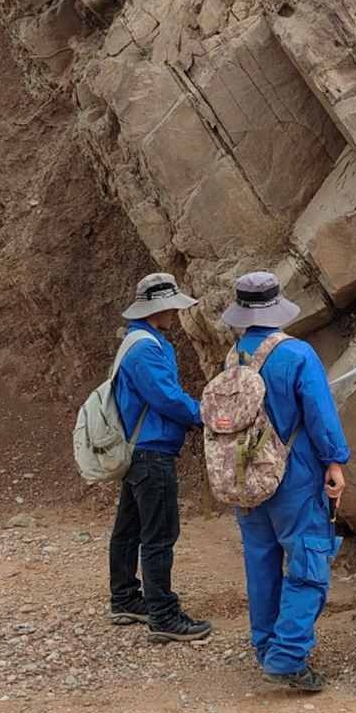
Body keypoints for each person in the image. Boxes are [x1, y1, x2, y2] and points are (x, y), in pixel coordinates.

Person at [221, 271, 350, 692]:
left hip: (246, 478)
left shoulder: (233, 357)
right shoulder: (297, 355)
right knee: (308, 560)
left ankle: (267, 647)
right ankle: (287, 655)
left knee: (261, 563)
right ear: (277, 308)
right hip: (294, 476)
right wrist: (335, 462)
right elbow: (319, 414)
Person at [107, 272, 211, 643]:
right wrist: (205, 414)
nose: (174, 315)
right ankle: (164, 616)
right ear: (160, 307)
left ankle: (125, 598)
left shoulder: (135, 341)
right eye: (171, 307)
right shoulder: (147, 348)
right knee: (159, 535)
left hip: (137, 452)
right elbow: (166, 397)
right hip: (153, 454)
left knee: (129, 529)